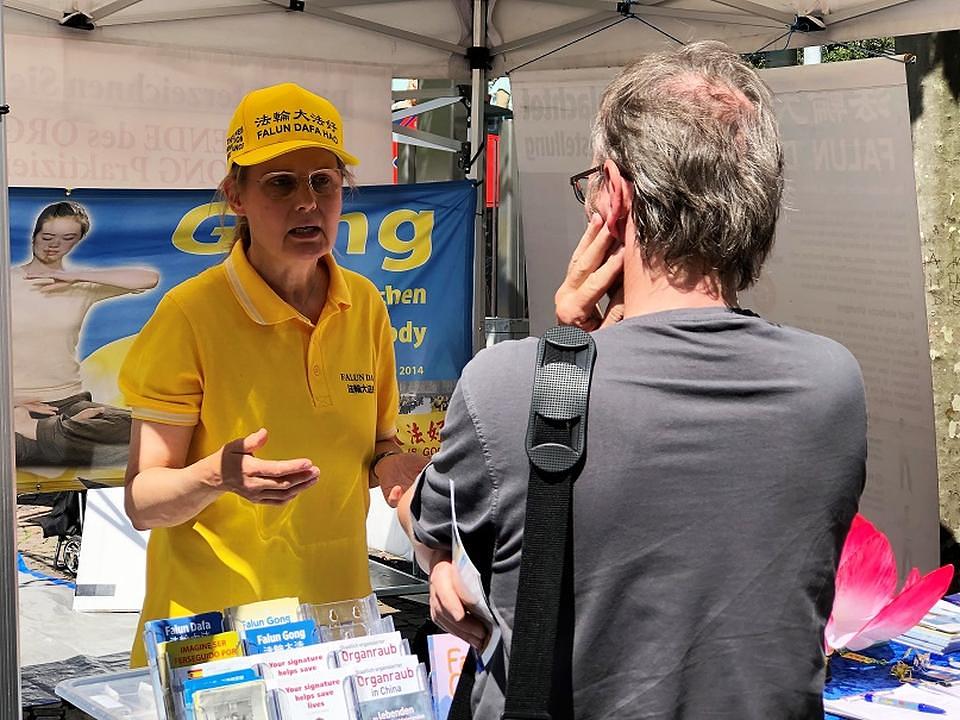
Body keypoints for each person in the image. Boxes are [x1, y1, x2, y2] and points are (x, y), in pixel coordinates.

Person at [399, 41, 867, 718]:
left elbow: (426, 524)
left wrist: (566, 351)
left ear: (614, 197)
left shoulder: (507, 385)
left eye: (593, 181)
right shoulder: (831, 386)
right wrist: (576, 350)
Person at [119, 82, 427, 667]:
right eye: (281, 183)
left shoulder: (364, 305)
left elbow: (378, 444)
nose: (307, 202)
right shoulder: (189, 315)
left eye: (323, 182)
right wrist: (216, 476)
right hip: (216, 648)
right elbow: (142, 501)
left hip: (334, 635)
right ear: (235, 195)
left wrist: (394, 468)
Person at [12, 200, 159, 469]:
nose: (54, 245)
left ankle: (39, 434)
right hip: (14, 405)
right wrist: (12, 402)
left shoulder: (81, 285)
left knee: (149, 431)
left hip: (69, 405)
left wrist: (76, 276)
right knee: (8, 446)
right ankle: (49, 435)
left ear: (78, 241)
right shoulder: (7, 281)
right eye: (47, 237)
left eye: (67, 238)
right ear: (34, 234)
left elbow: (149, 279)